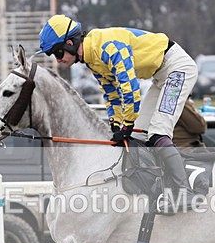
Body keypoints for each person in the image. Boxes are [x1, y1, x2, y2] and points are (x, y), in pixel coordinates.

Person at [38, 14, 198, 214]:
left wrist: (127, 122)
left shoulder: (108, 47)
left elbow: (130, 89)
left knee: (158, 132)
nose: (58, 60)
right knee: (138, 133)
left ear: (69, 43)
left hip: (177, 68)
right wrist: (116, 124)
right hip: (160, 76)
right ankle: (160, 187)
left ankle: (185, 192)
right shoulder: (91, 58)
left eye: (57, 52)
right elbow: (111, 93)